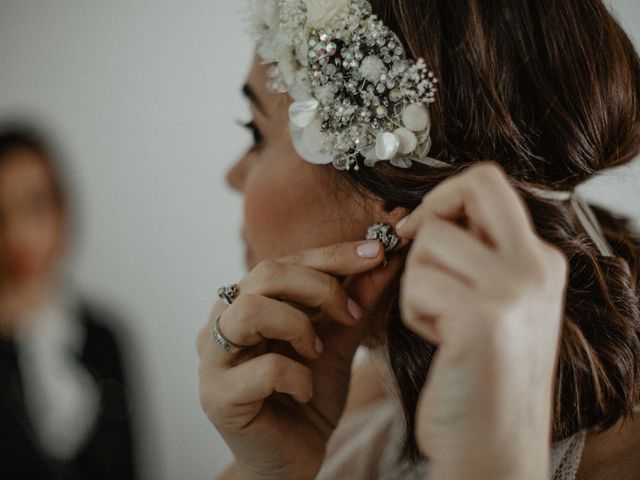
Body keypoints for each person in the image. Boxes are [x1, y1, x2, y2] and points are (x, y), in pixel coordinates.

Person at [196, 0, 640, 478]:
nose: (233, 176)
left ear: (390, 194)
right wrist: (267, 471)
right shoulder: (362, 391)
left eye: (256, 133)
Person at [0, 124, 138, 480]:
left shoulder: (103, 335)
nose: (19, 234)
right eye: (1, 214)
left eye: (36, 205)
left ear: (63, 212)